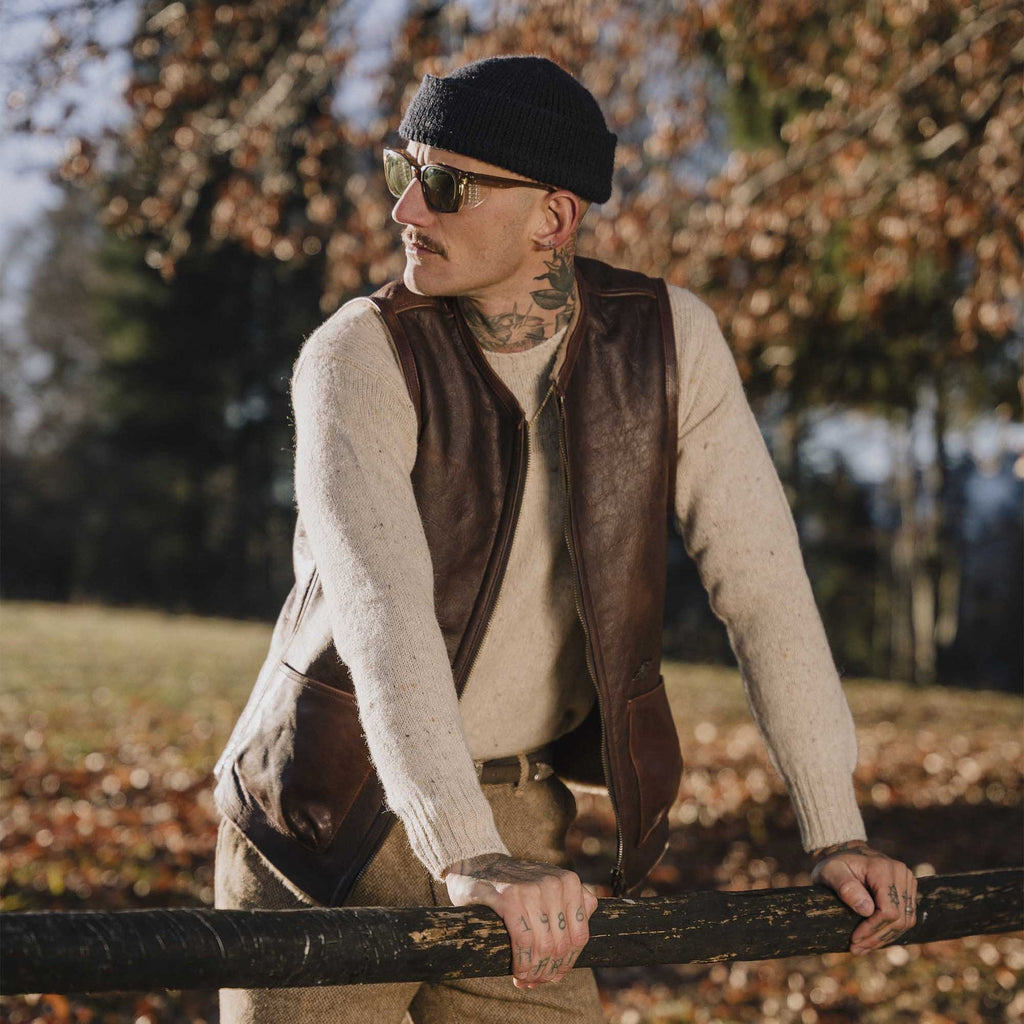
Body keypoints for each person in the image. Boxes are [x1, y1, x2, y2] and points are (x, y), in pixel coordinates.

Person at [212, 55, 919, 1023]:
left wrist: (835, 834)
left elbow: (762, 591)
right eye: (400, 171)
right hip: (324, 816)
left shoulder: (669, 344)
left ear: (554, 217)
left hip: (518, 816)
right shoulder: (357, 354)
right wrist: (465, 852)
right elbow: (382, 608)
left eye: (447, 184)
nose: (406, 211)